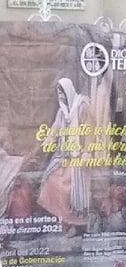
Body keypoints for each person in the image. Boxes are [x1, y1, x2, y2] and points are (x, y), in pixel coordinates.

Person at [37, 77, 91, 235]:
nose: (60, 95)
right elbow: (54, 130)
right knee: (51, 181)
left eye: (62, 91)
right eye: (58, 92)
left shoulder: (82, 107)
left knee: (68, 188)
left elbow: (90, 133)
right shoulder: (62, 112)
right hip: (63, 156)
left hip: (79, 158)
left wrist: (86, 153)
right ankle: (65, 221)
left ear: (69, 91)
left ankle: (76, 224)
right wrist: (45, 143)